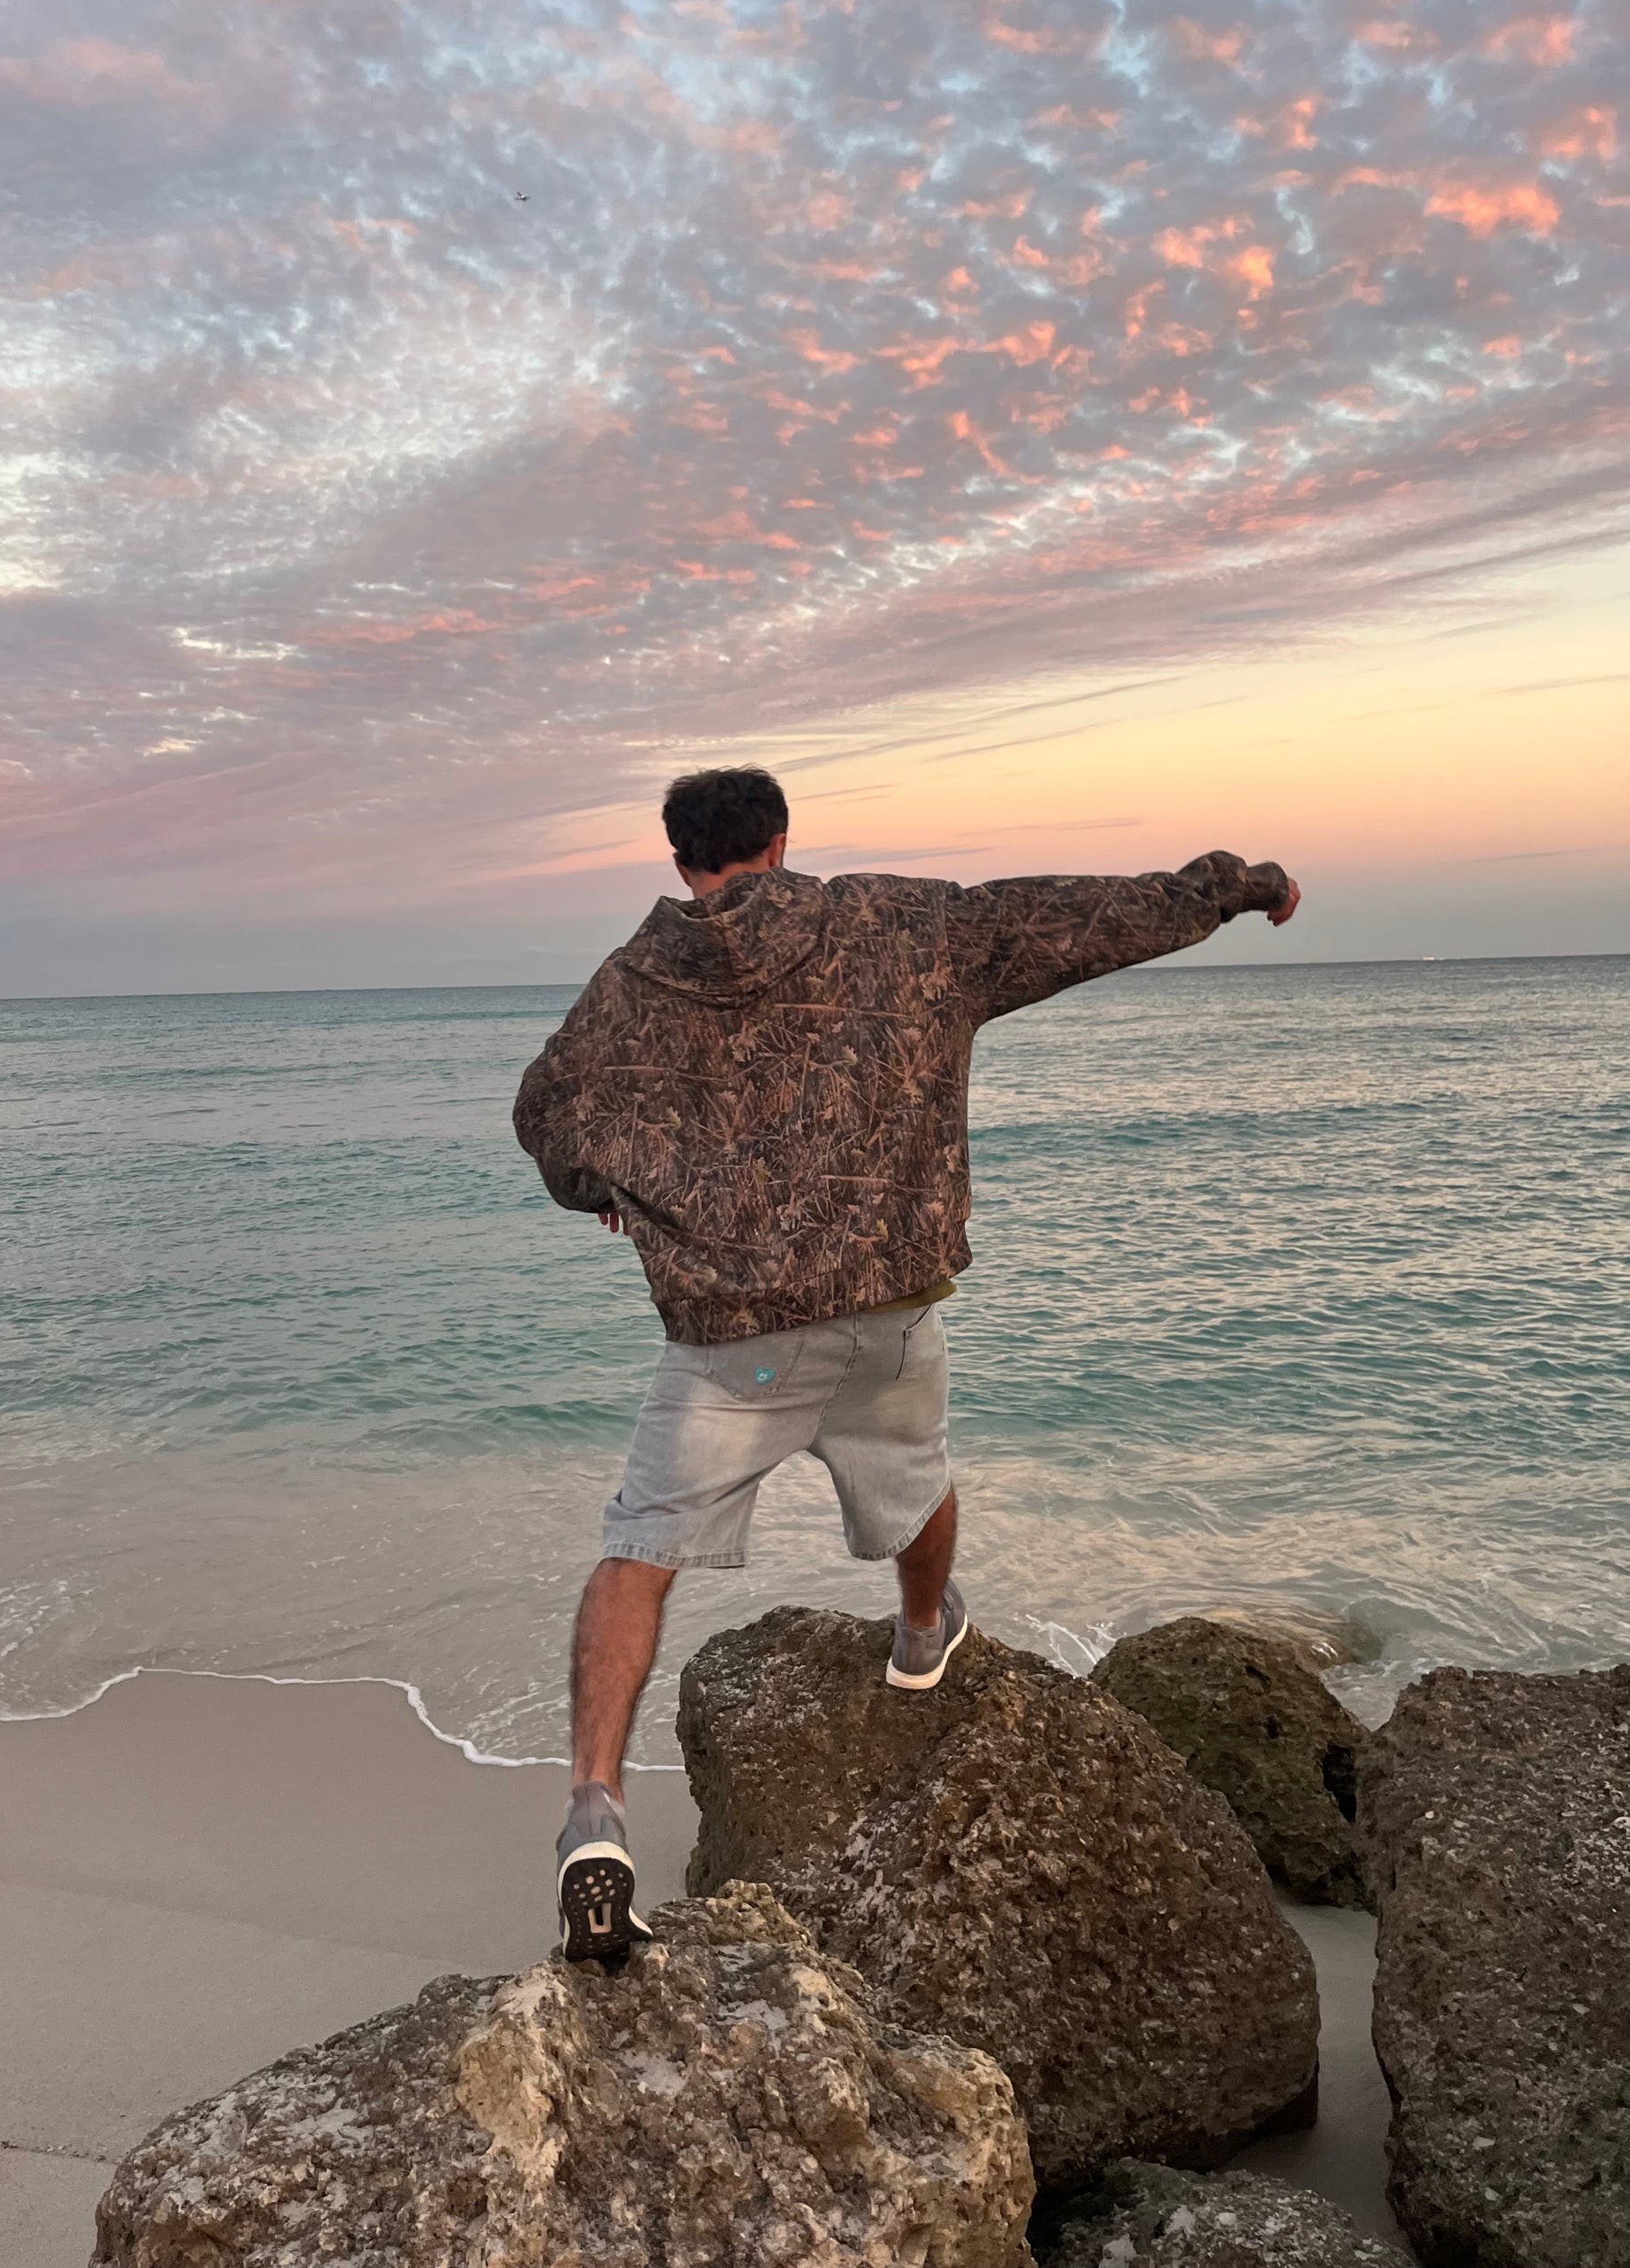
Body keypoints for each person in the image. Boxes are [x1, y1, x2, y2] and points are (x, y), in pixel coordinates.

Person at [514, 766, 1299, 1961]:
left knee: (639, 1550)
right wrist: (1234, 886)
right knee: (915, 1475)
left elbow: (548, 1112)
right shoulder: (899, 925)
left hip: (732, 1343)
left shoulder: (631, 981)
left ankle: (593, 1813)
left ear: (680, 860)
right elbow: (1079, 918)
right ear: (780, 841)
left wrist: (606, 1189)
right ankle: (924, 1634)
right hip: (885, 1310)